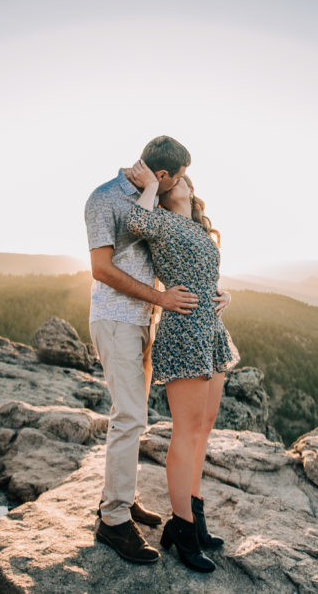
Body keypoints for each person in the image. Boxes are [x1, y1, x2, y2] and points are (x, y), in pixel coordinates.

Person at [84, 136, 229, 565]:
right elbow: (100, 269)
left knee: (138, 417)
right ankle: (112, 520)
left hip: (149, 317)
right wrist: (162, 298)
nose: (186, 183)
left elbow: (181, 259)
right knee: (129, 416)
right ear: (162, 176)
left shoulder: (161, 205)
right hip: (116, 318)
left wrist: (211, 293)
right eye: (180, 177)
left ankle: (124, 499)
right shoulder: (105, 199)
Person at [125, 160, 239, 573]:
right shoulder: (157, 219)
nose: (175, 180)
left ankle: (195, 517)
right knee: (186, 432)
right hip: (185, 330)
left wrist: (225, 295)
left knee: (204, 426)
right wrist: (148, 187)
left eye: (178, 177)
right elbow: (135, 220)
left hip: (211, 329)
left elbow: (208, 274)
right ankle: (182, 530)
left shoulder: (198, 227)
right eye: (167, 177)